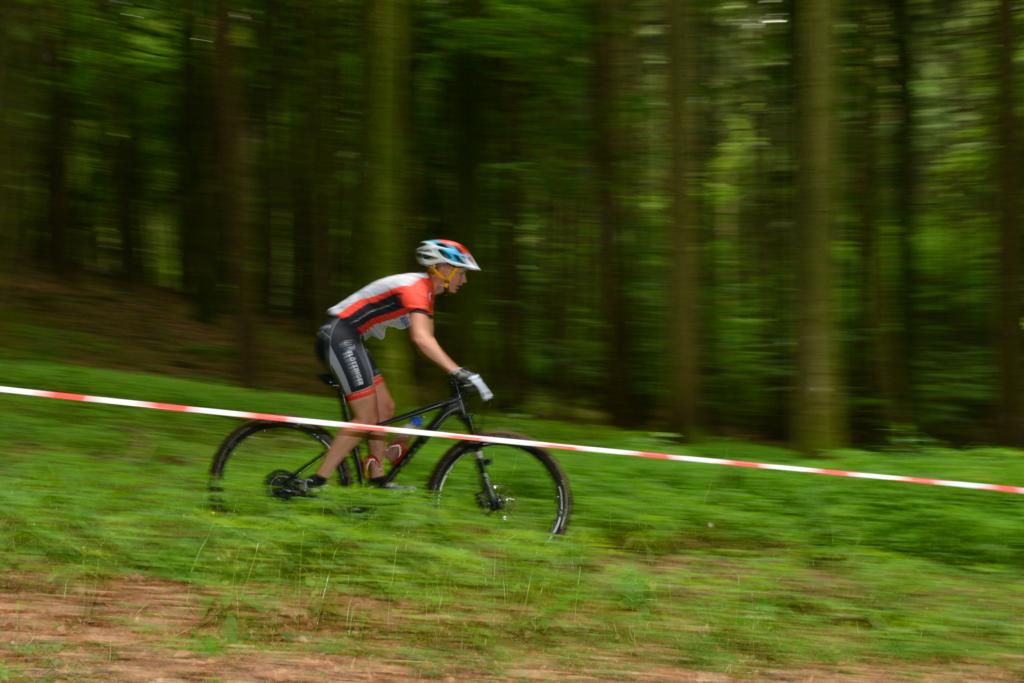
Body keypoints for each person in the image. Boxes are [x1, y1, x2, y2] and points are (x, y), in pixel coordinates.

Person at [302, 239, 492, 492]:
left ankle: (377, 477)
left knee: (386, 407)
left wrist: (454, 369)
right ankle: (315, 482)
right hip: (339, 336)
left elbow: (429, 339)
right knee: (366, 417)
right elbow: (421, 338)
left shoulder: (426, 293)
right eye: (462, 273)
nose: (464, 280)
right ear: (444, 269)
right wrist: (457, 371)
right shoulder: (416, 287)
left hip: (351, 339)